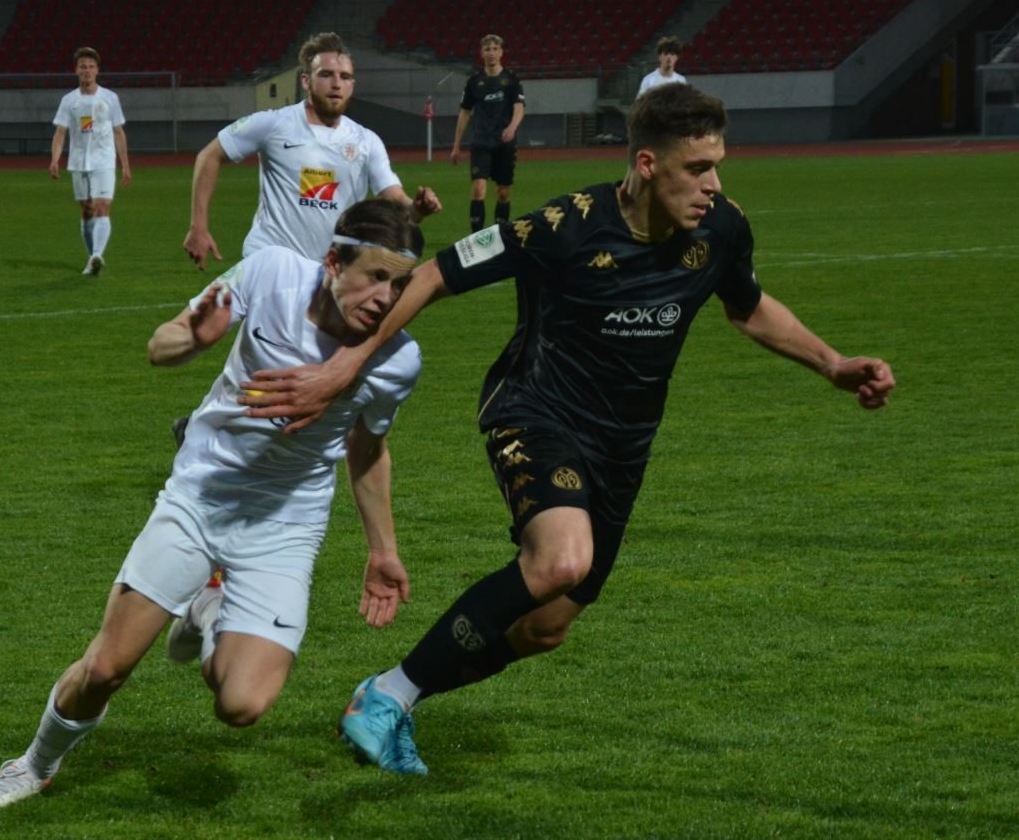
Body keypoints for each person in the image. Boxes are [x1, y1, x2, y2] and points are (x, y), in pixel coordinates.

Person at [238, 83, 896, 775]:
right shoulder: (562, 227)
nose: (714, 185)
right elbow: (433, 275)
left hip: (623, 447)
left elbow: (748, 306)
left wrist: (831, 363)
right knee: (561, 560)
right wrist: (347, 364)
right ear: (647, 164)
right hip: (534, 412)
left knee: (545, 627)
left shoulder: (721, 229)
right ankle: (388, 698)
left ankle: (392, 692)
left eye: (717, 167)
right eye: (697, 169)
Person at [0, 198, 427, 809]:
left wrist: (383, 551)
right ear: (333, 262)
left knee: (242, 704)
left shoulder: (398, 361)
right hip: (200, 497)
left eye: (399, 286)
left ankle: (209, 608)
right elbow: (159, 345)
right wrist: (191, 340)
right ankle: (34, 764)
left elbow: (367, 449)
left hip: (285, 527)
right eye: (375, 276)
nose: (385, 298)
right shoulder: (269, 273)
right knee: (105, 669)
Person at [173, 31, 440, 446]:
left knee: (280, 371)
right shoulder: (274, 124)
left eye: (345, 76)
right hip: (269, 265)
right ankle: (229, 439)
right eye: (327, 74)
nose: (337, 83)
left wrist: (416, 209)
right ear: (306, 80)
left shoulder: (365, 141)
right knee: (271, 370)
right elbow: (210, 154)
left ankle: (201, 427)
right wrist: (199, 225)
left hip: (328, 275)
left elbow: (393, 198)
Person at [50, 46, 131, 276]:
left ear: (97, 70)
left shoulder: (110, 98)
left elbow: (118, 132)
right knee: (87, 214)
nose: (87, 70)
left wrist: (125, 165)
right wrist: (55, 159)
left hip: (104, 161)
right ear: (76, 70)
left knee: (102, 208)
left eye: (91, 66)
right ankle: (91, 258)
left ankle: (97, 254)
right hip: (78, 163)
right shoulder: (69, 100)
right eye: (82, 66)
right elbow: (60, 133)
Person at [450, 33, 525, 233]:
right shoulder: (474, 81)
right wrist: (456, 145)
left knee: (503, 192)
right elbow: (465, 113)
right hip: (481, 141)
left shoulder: (511, 79)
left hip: (504, 143)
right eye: (487, 49)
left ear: (501, 53)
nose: (491, 53)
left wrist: (512, 128)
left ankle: (500, 235)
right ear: (481, 53)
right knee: (478, 190)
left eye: (494, 49)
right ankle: (477, 239)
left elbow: (519, 108)